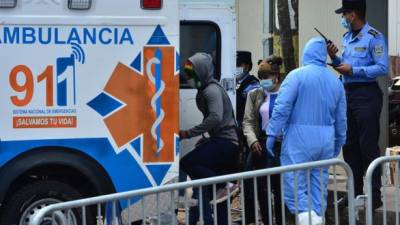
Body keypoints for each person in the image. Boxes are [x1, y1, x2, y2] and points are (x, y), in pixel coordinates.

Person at [266, 37, 347, 225]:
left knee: (294, 185)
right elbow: (342, 118)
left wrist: (272, 133)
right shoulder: (336, 83)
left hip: (299, 139)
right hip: (326, 140)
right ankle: (317, 218)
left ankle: (307, 219)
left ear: (306, 53)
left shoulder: (296, 76)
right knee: (319, 185)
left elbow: (282, 107)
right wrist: (338, 142)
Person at [328, 0, 388, 208]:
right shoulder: (347, 38)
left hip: (367, 95)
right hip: (348, 94)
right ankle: (354, 192)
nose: (343, 18)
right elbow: (343, 66)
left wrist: (354, 71)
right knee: (349, 144)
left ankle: (375, 195)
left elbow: (382, 68)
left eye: (344, 14)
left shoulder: (374, 37)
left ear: (353, 14)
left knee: (367, 145)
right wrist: (334, 57)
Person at [179, 52, 240, 225]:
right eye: (187, 73)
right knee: (219, 200)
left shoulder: (211, 90)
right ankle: (222, 188)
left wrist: (188, 133)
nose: (188, 77)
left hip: (226, 143)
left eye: (192, 73)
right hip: (221, 141)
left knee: (187, 162)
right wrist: (207, 138)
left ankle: (224, 185)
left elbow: (215, 117)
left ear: (202, 71)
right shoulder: (206, 88)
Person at [242, 56, 283, 225]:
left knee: (279, 188)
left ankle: (281, 220)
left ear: (276, 76)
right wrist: (252, 140)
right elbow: (248, 121)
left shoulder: (286, 93)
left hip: (282, 146)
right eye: (261, 77)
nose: (264, 81)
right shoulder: (255, 94)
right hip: (261, 144)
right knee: (260, 188)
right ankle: (265, 220)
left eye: (267, 77)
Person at [236, 51, 260, 125]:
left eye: (238, 65)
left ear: (247, 66)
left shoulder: (253, 84)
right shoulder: (232, 82)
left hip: (247, 125)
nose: (236, 68)